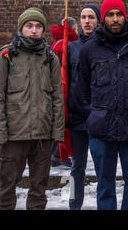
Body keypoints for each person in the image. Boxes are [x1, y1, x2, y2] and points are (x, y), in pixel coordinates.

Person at [78, 0, 128, 210]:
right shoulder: (90, 49)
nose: (115, 19)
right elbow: (83, 88)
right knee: (105, 184)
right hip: (101, 129)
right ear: (103, 18)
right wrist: (94, 114)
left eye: (118, 14)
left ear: (125, 16)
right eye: (110, 14)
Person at [0, 7, 65, 210]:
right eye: (29, 26)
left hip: (42, 136)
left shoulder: (50, 58)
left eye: (38, 26)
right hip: (14, 136)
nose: (34, 30)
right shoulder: (5, 56)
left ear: (43, 30)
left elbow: (57, 98)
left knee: (39, 189)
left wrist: (56, 132)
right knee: (7, 187)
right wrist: (0, 133)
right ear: (21, 28)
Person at [66, 3, 101, 210]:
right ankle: (73, 204)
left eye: (91, 17)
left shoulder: (103, 46)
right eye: (83, 17)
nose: (87, 21)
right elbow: (67, 81)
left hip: (98, 117)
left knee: (101, 168)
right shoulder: (71, 48)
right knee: (76, 169)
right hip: (77, 118)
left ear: (98, 20)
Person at [50, 16, 79, 168]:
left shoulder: (56, 42)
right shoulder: (65, 44)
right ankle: (58, 155)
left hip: (58, 88)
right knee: (63, 122)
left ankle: (57, 154)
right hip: (63, 88)